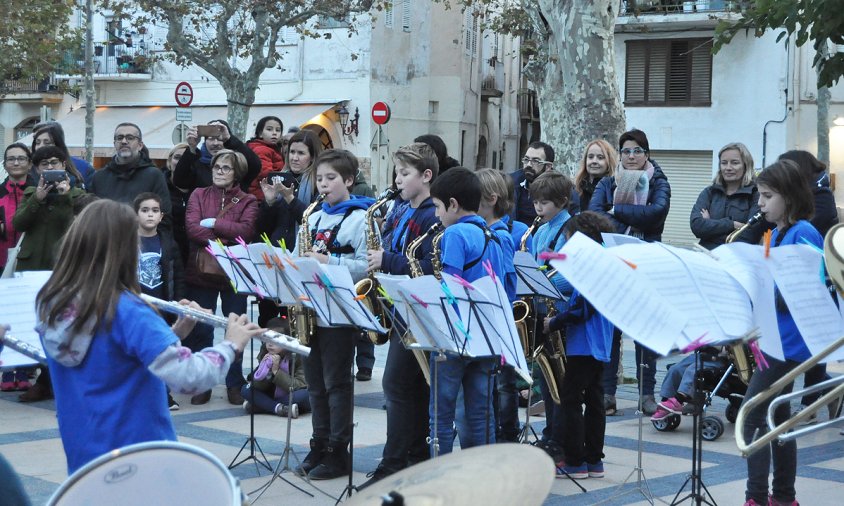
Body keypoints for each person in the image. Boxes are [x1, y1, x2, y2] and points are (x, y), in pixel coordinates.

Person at [35, 199, 265, 473]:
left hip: (86, 457)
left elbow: (112, 360)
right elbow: (189, 379)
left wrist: (174, 333)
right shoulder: (130, 310)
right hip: (141, 455)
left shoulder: (54, 304)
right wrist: (230, 344)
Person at [292, 149, 375, 480]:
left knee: (336, 383)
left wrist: (330, 263)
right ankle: (320, 443)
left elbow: (367, 269)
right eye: (319, 179)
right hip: (312, 308)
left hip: (341, 311)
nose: (323, 185)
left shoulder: (361, 218)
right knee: (314, 384)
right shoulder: (311, 216)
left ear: (349, 181)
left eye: (330, 179)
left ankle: (339, 451)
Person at [741, 159, 820, 506]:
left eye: (767, 196)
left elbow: (806, 291)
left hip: (789, 343)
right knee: (779, 419)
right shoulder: (776, 233)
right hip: (775, 339)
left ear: (788, 196)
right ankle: (784, 498)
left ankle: (757, 498)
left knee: (752, 416)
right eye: (760, 195)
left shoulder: (803, 232)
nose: (760, 203)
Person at [360, 143, 439, 487]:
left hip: (417, 311)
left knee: (396, 384)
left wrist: (387, 261)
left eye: (404, 173)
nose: (397, 179)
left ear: (426, 176)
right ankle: (414, 457)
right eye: (396, 172)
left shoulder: (433, 215)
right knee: (411, 388)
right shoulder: (401, 209)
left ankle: (394, 463)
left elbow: (432, 267)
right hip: (397, 306)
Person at [588, 128, 671, 415]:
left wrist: (616, 210)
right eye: (626, 151)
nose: (632, 156)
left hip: (646, 264)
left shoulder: (659, 181)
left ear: (647, 154)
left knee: (644, 333)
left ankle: (646, 394)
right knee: (611, 332)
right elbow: (594, 216)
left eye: (637, 151)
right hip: (613, 264)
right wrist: (614, 212)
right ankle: (608, 394)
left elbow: (655, 215)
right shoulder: (608, 182)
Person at [426, 167, 506, 456]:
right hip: (487, 336)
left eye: (437, 207)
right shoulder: (494, 234)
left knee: (441, 415)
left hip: (455, 336)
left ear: (453, 204)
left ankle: (441, 475)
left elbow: (450, 286)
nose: (436, 215)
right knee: (482, 413)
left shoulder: (456, 234)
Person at [183, 149, 259, 406]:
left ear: (236, 172)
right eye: (217, 167)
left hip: (234, 274)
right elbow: (192, 227)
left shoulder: (248, 201)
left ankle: (234, 383)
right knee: (202, 330)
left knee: (234, 329)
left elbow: (246, 232)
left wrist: (213, 222)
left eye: (226, 168)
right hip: (201, 271)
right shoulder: (198, 194)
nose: (219, 172)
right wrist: (221, 243)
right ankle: (203, 382)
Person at [543, 211, 614, 479]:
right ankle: (594, 460)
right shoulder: (605, 260)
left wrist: (554, 322)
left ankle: (575, 461)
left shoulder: (593, 265)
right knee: (594, 400)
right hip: (599, 342)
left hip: (584, 343)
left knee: (570, 399)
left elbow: (583, 310)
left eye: (569, 239)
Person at [778, 150, 841, 424]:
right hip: (802, 278)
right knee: (808, 349)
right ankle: (829, 391)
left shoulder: (821, 198)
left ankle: (811, 402)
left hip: (819, 282)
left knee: (815, 347)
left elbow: (809, 228)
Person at [475, 168, 528, 443]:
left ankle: (507, 434)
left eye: (476, 198)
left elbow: (506, 280)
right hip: (488, 315)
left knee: (505, 384)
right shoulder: (482, 230)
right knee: (494, 383)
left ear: (492, 199)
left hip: (500, 316)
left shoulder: (502, 235)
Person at [529, 170, 574, 461]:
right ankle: (550, 432)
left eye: (544, 203)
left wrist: (538, 285)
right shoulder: (540, 229)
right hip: (541, 308)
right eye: (535, 202)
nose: (538, 208)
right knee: (547, 382)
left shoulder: (570, 230)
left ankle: (560, 437)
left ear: (562, 201)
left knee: (561, 383)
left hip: (560, 311)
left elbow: (570, 276)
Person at [134, 192, 186, 410]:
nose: (150, 215)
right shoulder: (128, 241)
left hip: (162, 304)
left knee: (161, 351)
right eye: (145, 210)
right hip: (136, 306)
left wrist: (179, 300)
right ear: (135, 214)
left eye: (155, 211)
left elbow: (178, 274)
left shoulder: (168, 242)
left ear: (162, 216)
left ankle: (163, 394)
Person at [89, 123, 173, 230]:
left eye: (130, 138)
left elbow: (164, 216)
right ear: (114, 143)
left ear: (140, 145)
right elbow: (92, 215)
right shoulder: (100, 177)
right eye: (120, 138)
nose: (124, 141)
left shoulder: (154, 175)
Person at [1, 144, 34, 392]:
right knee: (4, 317)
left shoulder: (37, 191)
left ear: (29, 163)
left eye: (21, 158)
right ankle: (5, 372)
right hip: (2, 260)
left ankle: (23, 370)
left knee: (24, 318)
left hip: (29, 262)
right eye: (11, 159)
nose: (16, 163)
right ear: (4, 164)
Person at [690, 142, 762, 249]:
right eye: (724, 163)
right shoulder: (709, 192)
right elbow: (697, 227)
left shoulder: (756, 195)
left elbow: (750, 236)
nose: (728, 168)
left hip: (738, 258)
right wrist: (731, 225)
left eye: (735, 163)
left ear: (746, 165)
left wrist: (710, 224)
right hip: (706, 256)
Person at [241, 317, 309, 418]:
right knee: (245, 389)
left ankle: (263, 406)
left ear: (287, 339)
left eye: (276, 339)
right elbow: (258, 386)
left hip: (292, 393)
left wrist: (276, 372)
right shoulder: (265, 350)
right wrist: (265, 369)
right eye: (268, 338)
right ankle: (280, 408)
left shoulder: (298, 353)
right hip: (271, 392)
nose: (270, 343)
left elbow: (300, 385)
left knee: (304, 395)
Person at [174, 119, 262, 193]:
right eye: (211, 138)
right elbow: (180, 181)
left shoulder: (238, 164)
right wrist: (192, 148)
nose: (215, 143)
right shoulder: (196, 161)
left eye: (220, 139)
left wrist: (229, 139)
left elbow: (255, 166)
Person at [511, 141, 579, 226]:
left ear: (548, 167)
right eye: (526, 159)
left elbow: (573, 223)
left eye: (535, 161)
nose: (529, 165)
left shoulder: (563, 189)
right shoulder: (511, 183)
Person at [31, 122, 94, 189]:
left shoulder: (84, 168)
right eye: (37, 142)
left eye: (47, 142)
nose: (40, 146)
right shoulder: (27, 170)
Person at [160, 143, 191, 265]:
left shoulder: (199, 187)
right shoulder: (160, 186)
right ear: (169, 161)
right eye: (177, 157)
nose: (181, 162)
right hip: (168, 248)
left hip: (192, 252)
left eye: (185, 159)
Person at [574, 139, 617, 216]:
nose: (594, 161)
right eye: (590, 157)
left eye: (600, 157)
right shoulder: (576, 189)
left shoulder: (614, 190)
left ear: (609, 161)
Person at [246, 115, 285, 201]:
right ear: (260, 133)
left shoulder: (273, 148)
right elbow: (266, 174)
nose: (274, 133)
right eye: (269, 129)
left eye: (278, 130)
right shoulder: (262, 149)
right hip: (261, 196)